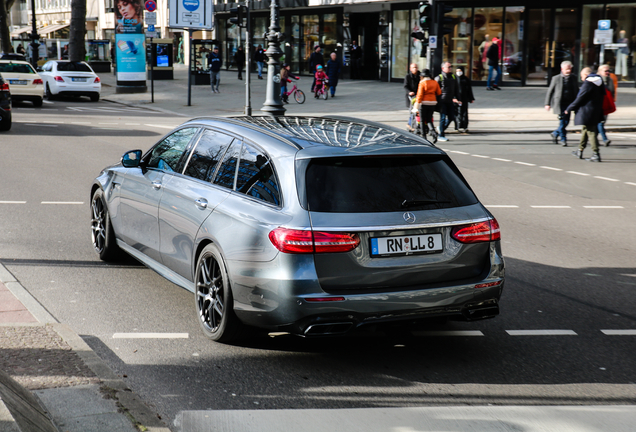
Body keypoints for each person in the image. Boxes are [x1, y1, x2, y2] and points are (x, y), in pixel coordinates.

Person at [565, 67, 605, 162]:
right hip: (595, 110)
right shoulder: (599, 83)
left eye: (582, 76)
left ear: (586, 75)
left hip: (587, 111)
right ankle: (580, 150)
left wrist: (569, 108)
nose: (582, 79)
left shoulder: (588, 83)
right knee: (585, 130)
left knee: (591, 132)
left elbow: (580, 98)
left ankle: (596, 153)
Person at [544, 60, 579, 146]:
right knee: (563, 122)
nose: (569, 71)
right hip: (560, 103)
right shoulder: (556, 78)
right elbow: (550, 91)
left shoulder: (574, 78)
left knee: (566, 122)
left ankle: (555, 133)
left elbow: (577, 90)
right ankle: (563, 139)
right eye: (567, 69)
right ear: (562, 69)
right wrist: (547, 103)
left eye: (570, 69)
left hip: (570, 103)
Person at [435, 61, 460, 142]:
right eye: (448, 67)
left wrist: (457, 98)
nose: (450, 68)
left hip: (450, 101)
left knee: (451, 117)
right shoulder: (439, 78)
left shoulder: (453, 77)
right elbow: (435, 90)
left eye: (450, 67)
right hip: (442, 101)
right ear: (443, 68)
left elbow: (456, 89)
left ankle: (441, 128)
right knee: (442, 118)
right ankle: (441, 135)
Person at [415, 69, 441, 141]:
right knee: (429, 119)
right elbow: (439, 92)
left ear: (422, 76)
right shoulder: (434, 82)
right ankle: (434, 133)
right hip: (432, 102)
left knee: (423, 120)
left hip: (423, 103)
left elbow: (419, 95)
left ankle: (424, 137)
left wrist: (416, 106)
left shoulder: (422, 83)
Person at [597, 64, 617, 146]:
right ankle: (605, 139)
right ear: (600, 71)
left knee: (601, 123)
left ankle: (593, 139)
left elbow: (612, 92)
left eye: (608, 71)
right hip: (598, 105)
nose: (607, 72)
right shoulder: (597, 79)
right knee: (600, 122)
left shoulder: (610, 80)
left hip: (606, 105)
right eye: (605, 71)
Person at [454, 66, 474, 133]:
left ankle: (465, 126)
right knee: (457, 113)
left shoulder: (466, 79)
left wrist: (471, 98)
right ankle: (458, 126)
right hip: (457, 99)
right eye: (457, 71)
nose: (458, 72)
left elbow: (469, 90)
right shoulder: (454, 79)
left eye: (460, 71)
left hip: (464, 98)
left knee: (464, 113)